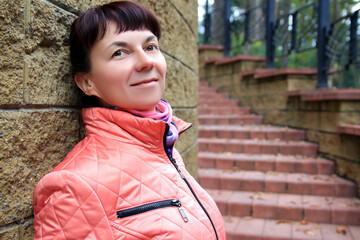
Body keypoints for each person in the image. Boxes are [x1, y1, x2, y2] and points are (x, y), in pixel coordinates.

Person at [32, 1, 226, 239]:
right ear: (87, 82)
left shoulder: (165, 147)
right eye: (119, 52)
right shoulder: (73, 187)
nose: (147, 61)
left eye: (151, 46)